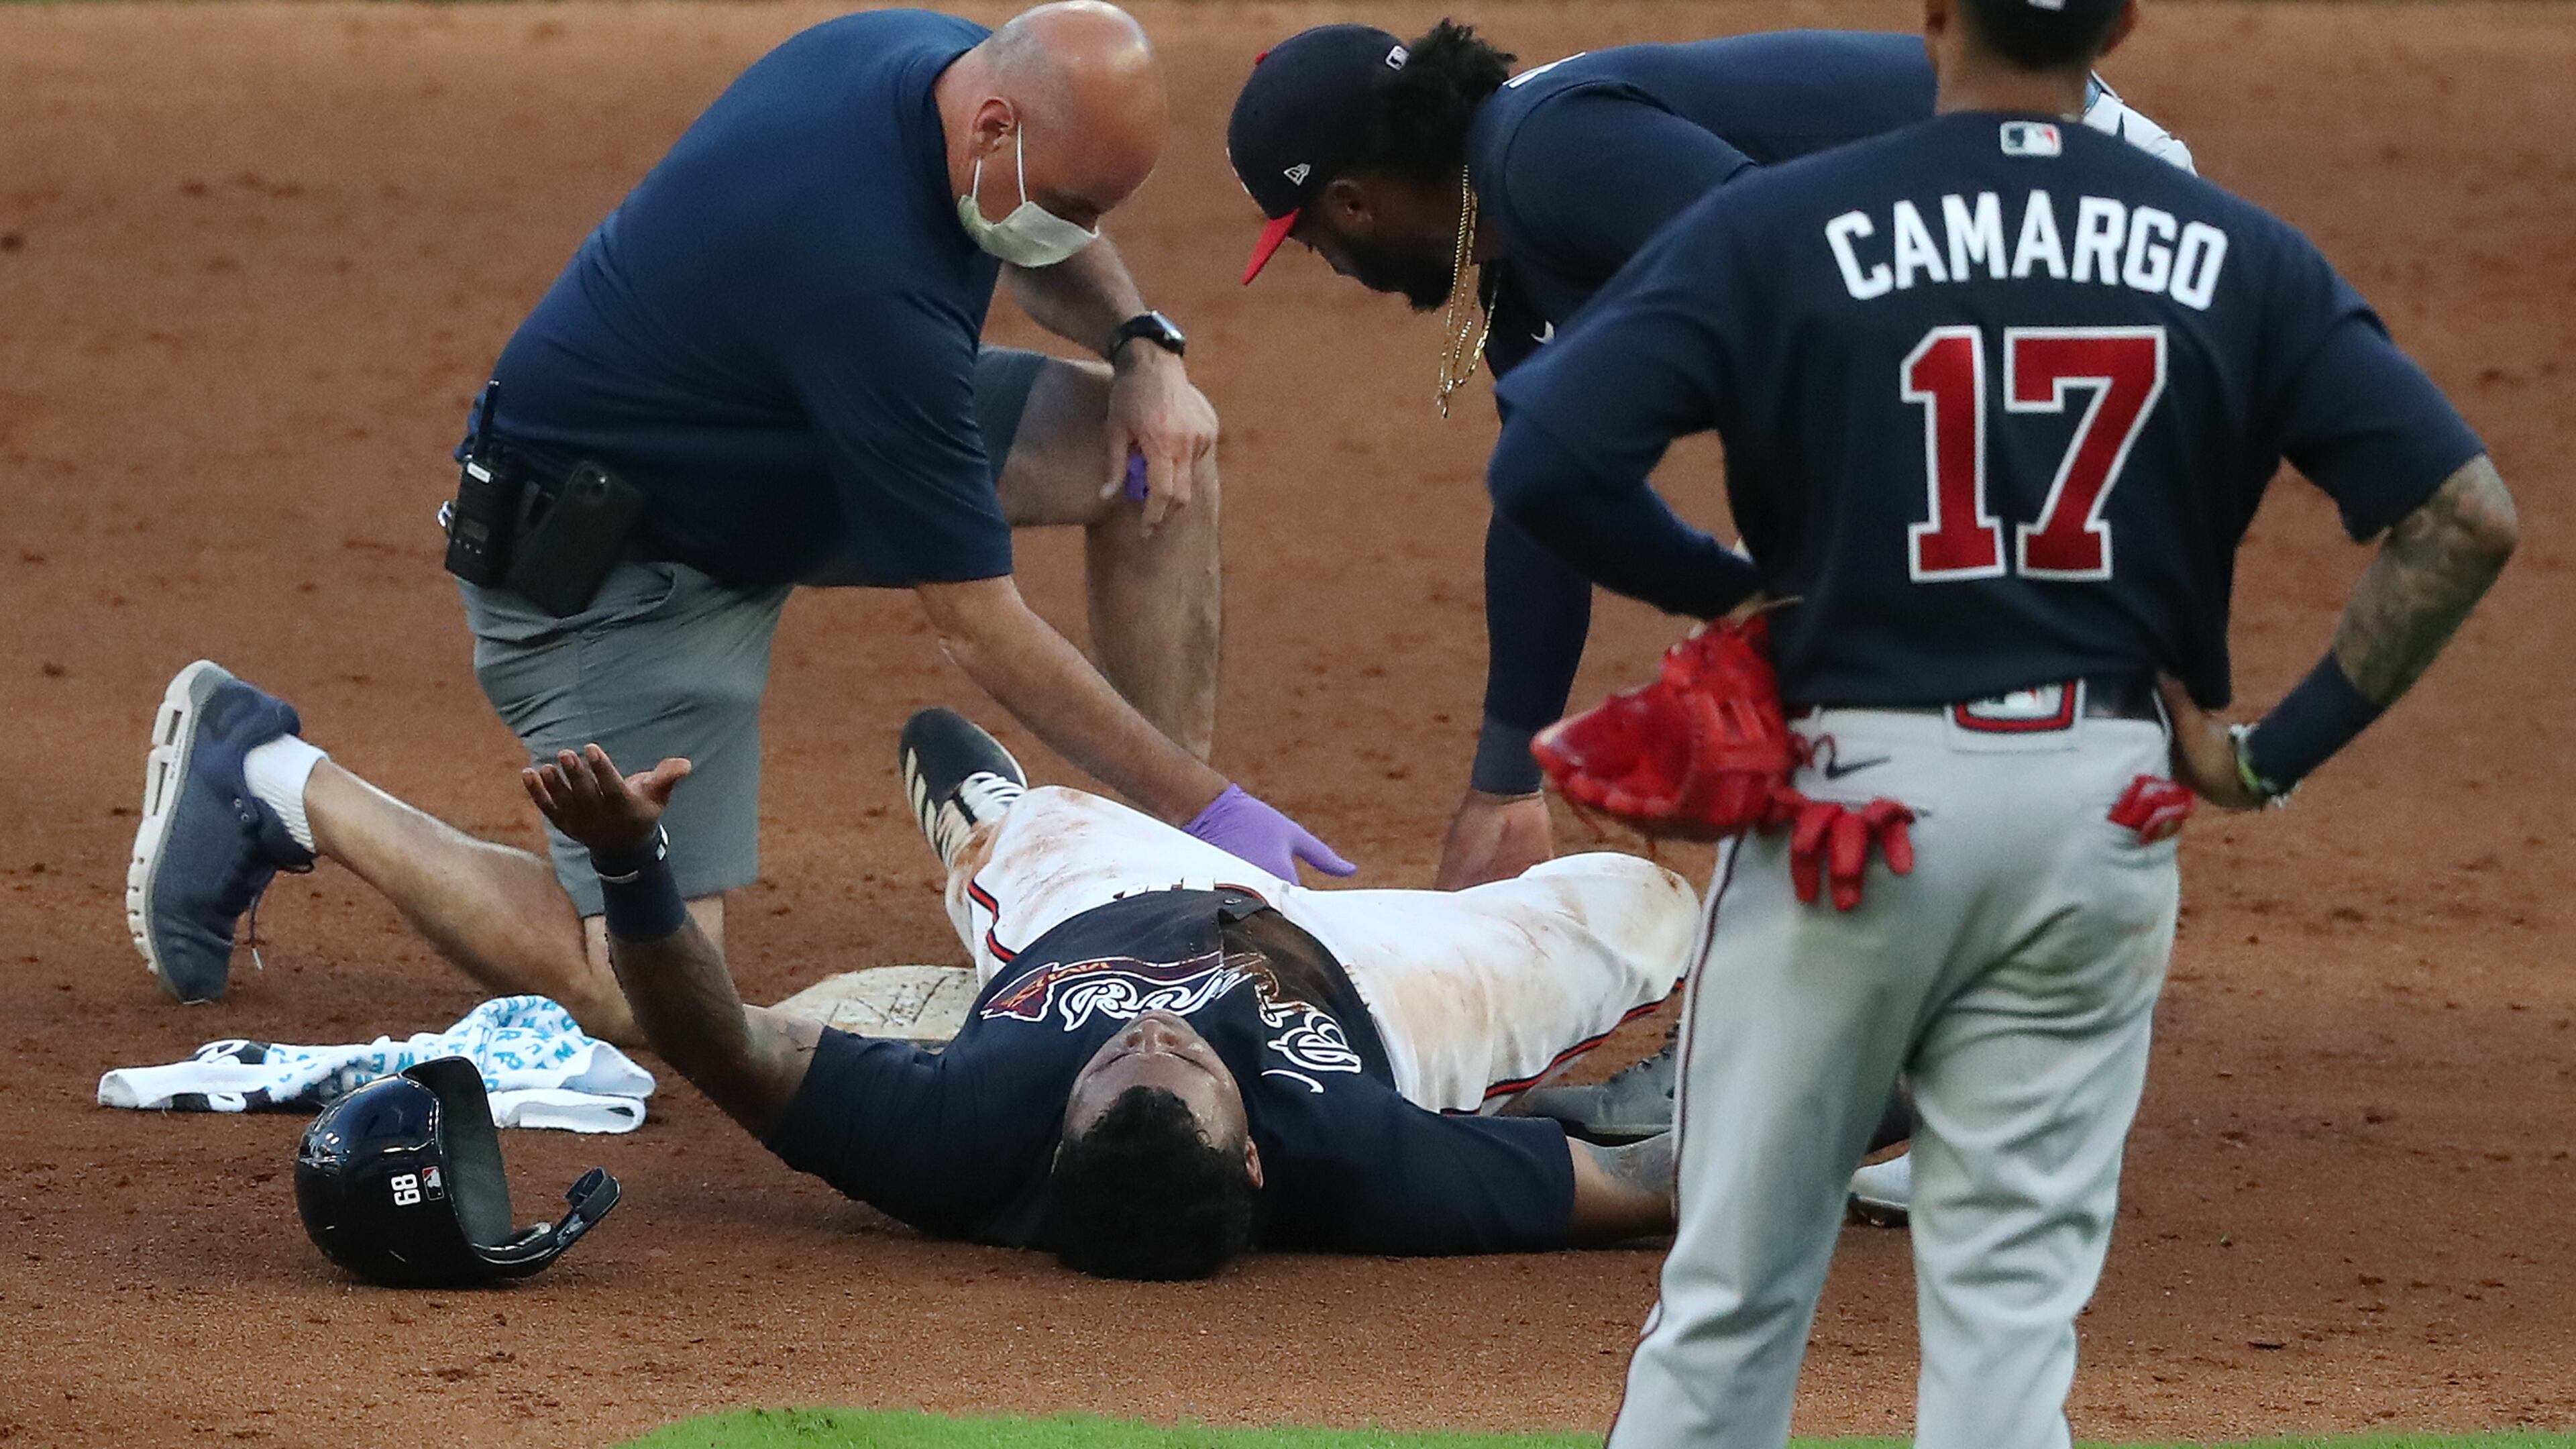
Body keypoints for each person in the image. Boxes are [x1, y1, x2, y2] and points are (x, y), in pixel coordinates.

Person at [1483, 0, 2516, 1437]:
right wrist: (2271, 755)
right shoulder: (2229, 244)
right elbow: (2466, 515)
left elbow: (1548, 464)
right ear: (2124, 21)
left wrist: (1744, 590)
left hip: (1854, 804)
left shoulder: (1784, 220)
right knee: (2010, 1322)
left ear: (1933, 14)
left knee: (1730, 1304)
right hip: (2100, 810)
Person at [127, 3, 1350, 1014]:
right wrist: (1218, 804)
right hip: (618, 560)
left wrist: (1145, 347)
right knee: (659, 992)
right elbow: (978, 623)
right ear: (993, 123)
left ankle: (1154, 889)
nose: (1075, 236)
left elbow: (1045, 241)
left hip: (783, 452)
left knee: (1158, 460)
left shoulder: (929, 63)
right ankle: (270, 770)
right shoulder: (859, 278)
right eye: (1071, 204)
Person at [1224, 18, 2196, 1142]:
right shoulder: (1510, 233)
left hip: (2079, 232)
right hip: (2006, 264)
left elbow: (1797, 262)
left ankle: (1806, 1063)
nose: (1331, 265)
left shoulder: (1545, 154)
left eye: (1310, 239)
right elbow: (1547, 496)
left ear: (1353, 203)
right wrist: (1505, 785)